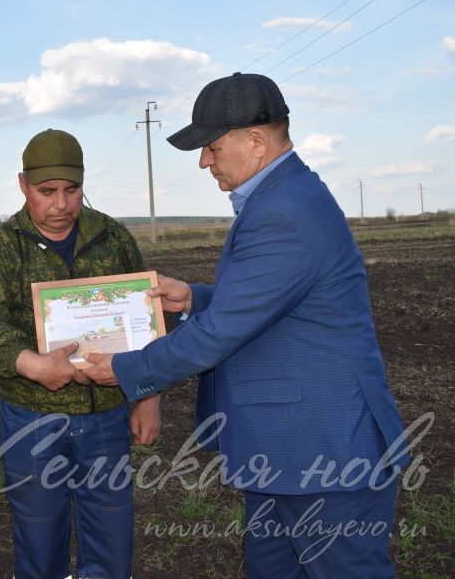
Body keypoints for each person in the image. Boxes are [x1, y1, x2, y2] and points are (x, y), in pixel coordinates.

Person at [83, 73, 410, 578]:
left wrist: (124, 369)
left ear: (255, 141)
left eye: (211, 147)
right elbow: (274, 306)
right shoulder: (282, 196)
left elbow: (221, 333)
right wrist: (196, 297)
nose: (203, 161)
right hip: (289, 451)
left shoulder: (284, 211)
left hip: (322, 451)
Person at [0, 128, 160, 579]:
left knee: (111, 536)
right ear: (22, 185)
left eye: (72, 191)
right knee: (38, 536)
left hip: (105, 416)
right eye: (46, 191)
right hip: (33, 419)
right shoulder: (0, 250)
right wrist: (32, 365)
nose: (61, 204)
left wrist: (148, 396)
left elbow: (145, 323)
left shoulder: (112, 238)